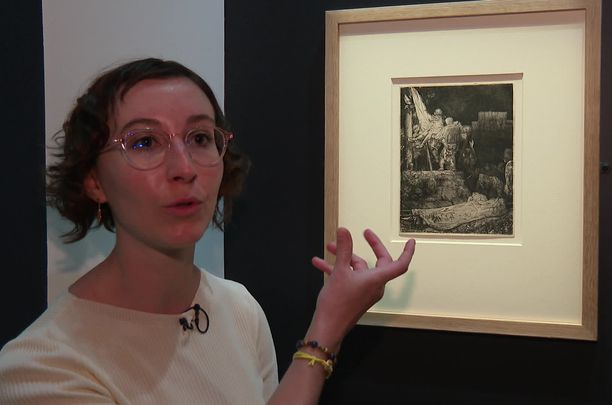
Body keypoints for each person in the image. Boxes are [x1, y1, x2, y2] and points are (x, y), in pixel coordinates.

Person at [0, 58, 415, 404]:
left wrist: (327, 325)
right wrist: (324, 333)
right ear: (93, 180)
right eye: (144, 142)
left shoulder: (238, 308)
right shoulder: (43, 369)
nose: (184, 168)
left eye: (200, 137)